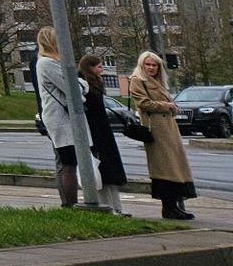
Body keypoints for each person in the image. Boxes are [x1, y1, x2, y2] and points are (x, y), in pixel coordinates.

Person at [128, 50, 196, 220]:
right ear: (141, 65)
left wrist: (170, 106)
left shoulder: (158, 82)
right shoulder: (138, 80)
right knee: (165, 168)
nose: (151, 68)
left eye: (154, 65)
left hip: (168, 127)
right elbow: (143, 103)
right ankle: (169, 207)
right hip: (156, 128)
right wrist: (166, 106)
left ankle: (174, 205)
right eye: (148, 64)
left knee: (175, 166)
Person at [33, 26, 83, 208]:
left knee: (67, 163)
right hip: (60, 120)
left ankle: (70, 202)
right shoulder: (47, 63)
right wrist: (81, 85)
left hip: (61, 118)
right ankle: (70, 204)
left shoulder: (52, 62)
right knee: (67, 163)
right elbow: (72, 86)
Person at [77, 54, 128, 215]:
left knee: (109, 171)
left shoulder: (97, 83)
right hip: (94, 130)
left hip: (103, 130)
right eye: (99, 66)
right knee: (101, 170)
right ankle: (107, 206)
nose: (102, 69)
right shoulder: (84, 84)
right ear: (90, 68)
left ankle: (116, 207)